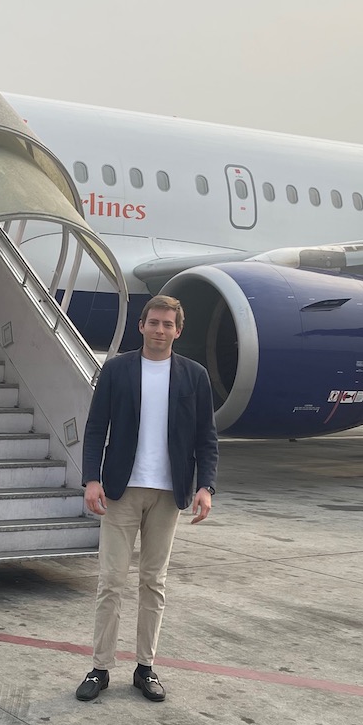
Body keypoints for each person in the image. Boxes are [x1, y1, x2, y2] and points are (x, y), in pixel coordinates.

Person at [76, 295, 218, 703]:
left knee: (153, 583)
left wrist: (206, 487)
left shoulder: (194, 376)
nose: (160, 330)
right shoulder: (118, 370)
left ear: (178, 330)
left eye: (167, 324)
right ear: (141, 326)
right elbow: (95, 429)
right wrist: (91, 479)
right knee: (111, 582)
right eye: (153, 322)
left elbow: (206, 439)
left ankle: (145, 668)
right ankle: (100, 668)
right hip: (121, 491)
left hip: (169, 494)